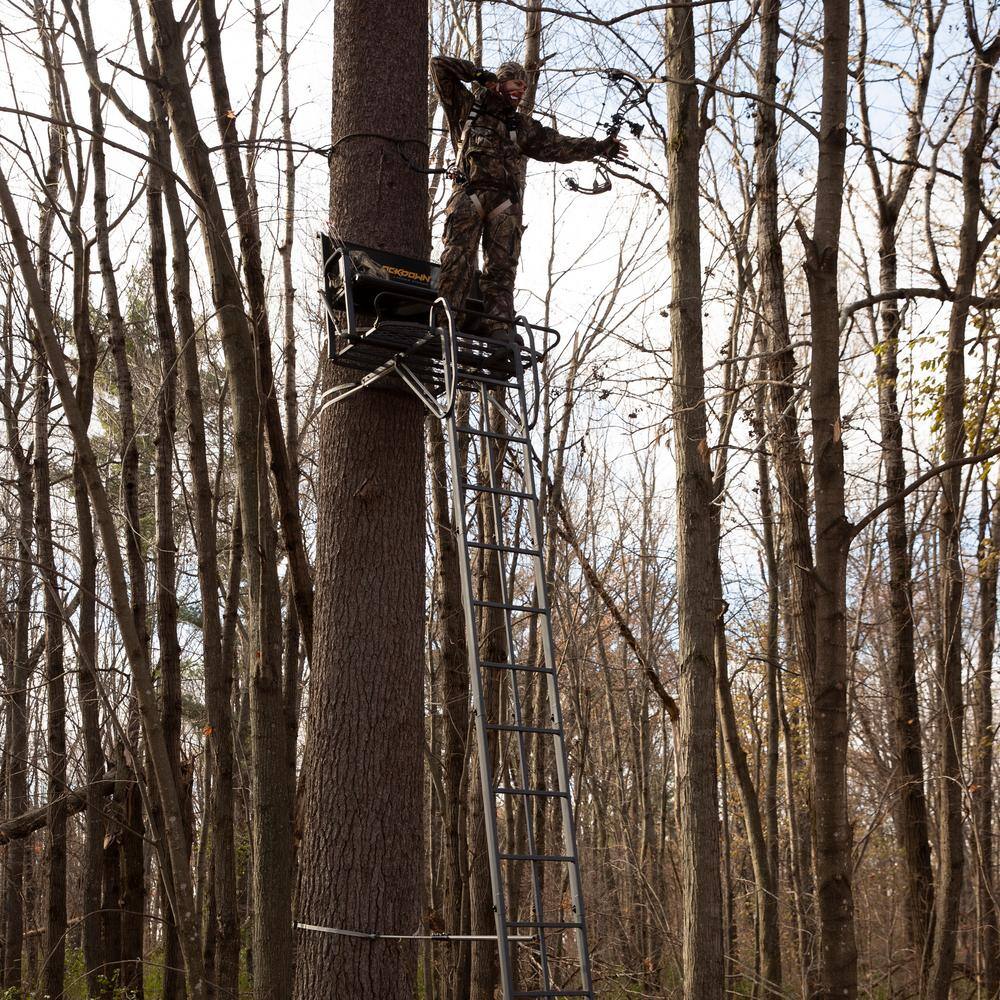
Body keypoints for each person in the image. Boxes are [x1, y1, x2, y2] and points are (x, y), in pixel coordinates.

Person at [431, 56, 627, 344]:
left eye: (524, 86)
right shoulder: (467, 106)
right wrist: (478, 75)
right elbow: (438, 65)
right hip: (468, 194)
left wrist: (599, 147)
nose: (521, 91)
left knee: (502, 270)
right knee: (457, 260)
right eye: (516, 83)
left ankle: (500, 331)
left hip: (505, 206)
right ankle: (445, 324)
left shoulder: (520, 125)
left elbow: (559, 146)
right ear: (500, 81)